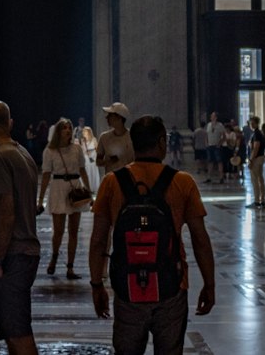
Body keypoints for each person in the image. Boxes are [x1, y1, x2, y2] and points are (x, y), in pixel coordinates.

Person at [88, 113, 215, 355]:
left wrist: (97, 284)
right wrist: (209, 285)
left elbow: (98, 241)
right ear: (161, 143)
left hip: (128, 289)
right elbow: (201, 240)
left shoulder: (111, 183)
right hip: (172, 286)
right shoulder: (183, 182)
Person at [0, 98, 41, 355]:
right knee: (13, 332)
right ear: (10, 124)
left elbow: (6, 212)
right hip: (26, 253)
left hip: (13, 256)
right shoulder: (22, 153)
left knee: (18, 336)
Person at [38, 116, 90, 279]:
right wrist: (40, 199)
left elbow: (82, 170)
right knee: (58, 231)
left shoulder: (76, 149)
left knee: (74, 231)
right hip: (58, 188)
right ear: (58, 132)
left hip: (75, 187)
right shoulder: (50, 151)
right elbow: (46, 175)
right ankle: (53, 258)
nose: (68, 130)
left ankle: (70, 267)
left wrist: (89, 191)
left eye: (69, 127)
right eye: (64, 128)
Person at [97, 103, 134, 177]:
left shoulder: (133, 136)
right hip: (111, 180)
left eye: (110, 115)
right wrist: (108, 161)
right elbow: (98, 161)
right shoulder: (104, 137)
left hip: (129, 179)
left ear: (119, 117)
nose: (106, 117)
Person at [247, 116, 265, 209]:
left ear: (256, 123)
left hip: (256, 158)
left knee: (255, 180)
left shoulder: (257, 134)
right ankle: (262, 200)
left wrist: (251, 160)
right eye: (251, 123)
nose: (251, 124)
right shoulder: (258, 133)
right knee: (260, 179)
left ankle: (256, 201)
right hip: (260, 157)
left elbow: (256, 147)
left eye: (253, 123)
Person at [205, 111, 225, 184]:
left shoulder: (220, 125)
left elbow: (224, 136)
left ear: (216, 117)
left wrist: (220, 143)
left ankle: (221, 177)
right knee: (210, 161)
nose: (211, 117)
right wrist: (206, 143)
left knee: (219, 161)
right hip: (210, 145)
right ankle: (209, 177)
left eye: (212, 116)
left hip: (217, 146)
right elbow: (206, 135)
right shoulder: (208, 125)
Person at [80, 125, 100, 194]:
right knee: (87, 172)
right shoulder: (83, 140)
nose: (84, 133)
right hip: (86, 158)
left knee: (92, 172)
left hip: (92, 158)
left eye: (85, 132)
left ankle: (93, 188)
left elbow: (97, 149)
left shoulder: (94, 139)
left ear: (89, 132)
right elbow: (82, 150)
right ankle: (87, 188)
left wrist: (91, 151)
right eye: (83, 132)